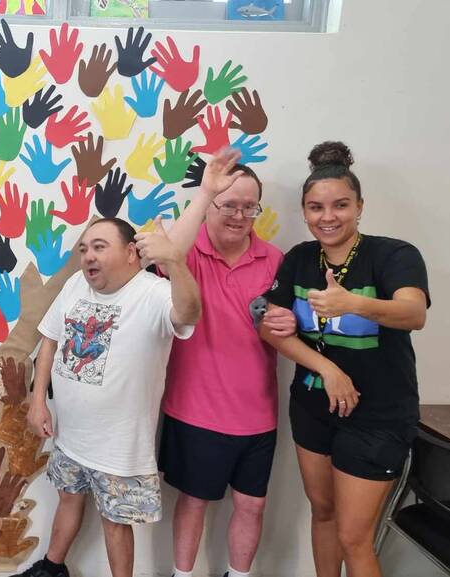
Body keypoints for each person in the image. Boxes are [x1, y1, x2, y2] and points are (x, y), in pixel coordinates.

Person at [261, 141, 429, 577]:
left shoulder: (393, 255)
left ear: (359, 206)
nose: (328, 216)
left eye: (340, 205)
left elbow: (413, 314)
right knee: (323, 512)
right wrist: (327, 368)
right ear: (304, 211)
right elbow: (270, 327)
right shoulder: (299, 259)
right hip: (313, 407)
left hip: (377, 415)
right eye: (316, 207)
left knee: (355, 538)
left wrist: (352, 303)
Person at [13, 216, 201, 577]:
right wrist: (37, 402)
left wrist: (174, 261)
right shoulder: (75, 285)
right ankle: (52, 568)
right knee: (68, 499)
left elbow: (189, 312)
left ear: (131, 253)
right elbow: (49, 339)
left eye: (99, 247)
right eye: (85, 248)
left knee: (115, 523)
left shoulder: (153, 292)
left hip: (119, 447)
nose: (88, 256)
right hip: (70, 435)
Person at [155, 150, 296, 577]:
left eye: (249, 207)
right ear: (210, 205)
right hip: (195, 411)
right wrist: (205, 192)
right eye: (229, 205)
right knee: (194, 501)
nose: (239, 216)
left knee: (253, 505)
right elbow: (166, 256)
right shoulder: (189, 252)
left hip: (258, 415)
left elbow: (286, 324)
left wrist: (290, 322)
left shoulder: (275, 260)